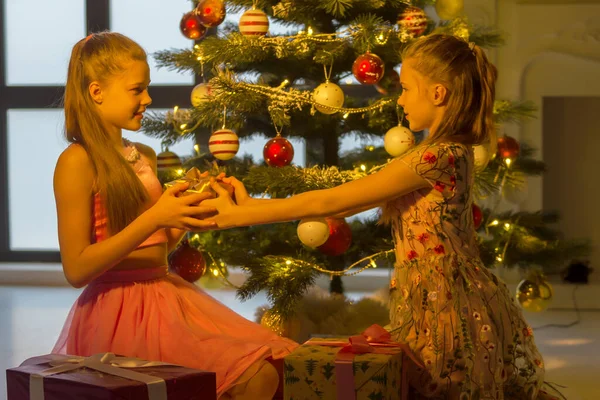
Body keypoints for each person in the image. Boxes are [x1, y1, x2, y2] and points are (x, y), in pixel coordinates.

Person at [205, 34, 559, 399]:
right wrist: (249, 206)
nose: (400, 99)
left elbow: (334, 202)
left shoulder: (434, 157)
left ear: (437, 94)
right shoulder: (446, 151)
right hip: (434, 295)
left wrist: (239, 217)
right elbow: (341, 206)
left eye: (406, 88)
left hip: (444, 302)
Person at [51, 31, 297, 400]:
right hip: (118, 312)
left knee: (268, 368)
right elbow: (76, 268)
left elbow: (158, 246)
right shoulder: (77, 161)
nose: (148, 99)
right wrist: (155, 217)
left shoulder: (143, 155)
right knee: (250, 378)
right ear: (96, 92)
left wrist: (185, 211)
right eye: (137, 90)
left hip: (166, 295)